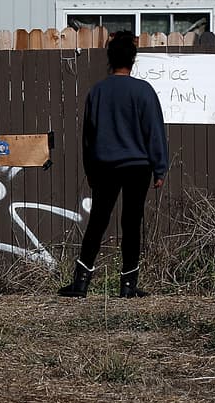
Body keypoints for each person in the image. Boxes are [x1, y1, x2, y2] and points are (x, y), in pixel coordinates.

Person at [58, 31, 169, 298]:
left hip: (105, 166)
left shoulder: (97, 92)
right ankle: (128, 285)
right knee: (131, 223)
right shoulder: (144, 91)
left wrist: (90, 169)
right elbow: (154, 131)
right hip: (138, 167)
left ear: (109, 59)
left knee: (97, 220)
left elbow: (88, 137)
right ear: (133, 60)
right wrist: (159, 168)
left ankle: (81, 283)